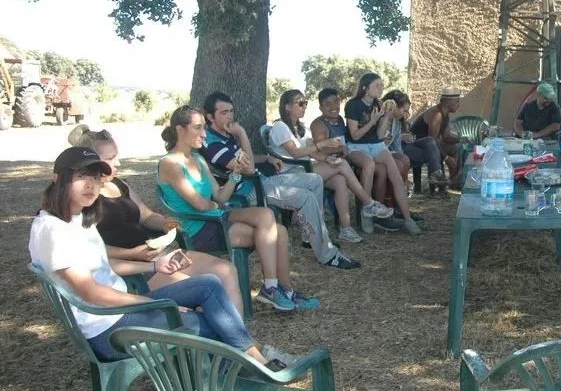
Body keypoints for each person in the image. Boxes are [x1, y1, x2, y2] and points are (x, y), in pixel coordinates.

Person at [29, 146, 297, 368]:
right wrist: (152, 306)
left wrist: (155, 263)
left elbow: (101, 264)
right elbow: (91, 293)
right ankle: (253, 367)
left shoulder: (78, 217)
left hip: (119, 313)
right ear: (57, 178)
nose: (91, 185)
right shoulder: (54, 231)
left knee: (210, 284)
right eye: (81, 176)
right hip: (109, 330)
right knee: (212, 324)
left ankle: (251, 360)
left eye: (96, 178)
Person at [67, 125, 245, 314]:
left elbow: (146, 216)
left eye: (116, 156)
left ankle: (239, 337)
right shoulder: (84, 200)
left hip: (156, 253)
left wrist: (166, 222)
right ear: (92, 163)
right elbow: (93, 250)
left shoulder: (119, 184)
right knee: (203, 291)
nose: (118, 163)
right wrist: (136, 253)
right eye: (110, 159)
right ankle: (227, 340)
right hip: (134, 268)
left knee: (226, 270)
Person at [157, 105, 319, 312]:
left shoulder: (197, 159)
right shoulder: (170, 164)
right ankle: (271, 289)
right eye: (198, 128)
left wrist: (235, 173)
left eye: (204, 128)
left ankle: (283, 290)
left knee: (278, 228)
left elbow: (220, 196)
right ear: (180, 130)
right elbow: (200, 204)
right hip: (199, 228)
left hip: (217, 217)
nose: (204, 134)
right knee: (274, 231)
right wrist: (215, 205)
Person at [200, 91, 359, 269]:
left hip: (260, 181)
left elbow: (243, 158)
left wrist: (266, 158)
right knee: (304, 197)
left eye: (231, 111)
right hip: (247, 191)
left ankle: (310, 236)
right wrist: (242, 134)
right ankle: (327, 255)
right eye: (224, 113)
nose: (230, 116)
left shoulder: (224, 133)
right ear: (209, 116)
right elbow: (249, 168)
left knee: (314, 180)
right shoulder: (213, 143)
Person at [273, 88, 393, 243]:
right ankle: (368, 203)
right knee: (342, 164)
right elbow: (296, 153)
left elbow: (311, 153)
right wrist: (323, 144)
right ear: (287, 107)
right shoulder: (280, 127)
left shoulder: (301, 128)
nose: (304, 106)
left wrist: (327, 159)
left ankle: (346, 228)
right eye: (300, 103)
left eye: (305, 103)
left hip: (303, 169)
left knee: (340, 181)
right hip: (289, 175)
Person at [344, 73, 421, 234]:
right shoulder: (353, 105)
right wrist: (372, 120)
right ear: (365, 88)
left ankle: (407, 219)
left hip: (376, 145)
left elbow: (379, 136)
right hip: (357, 147)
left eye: (381, 85)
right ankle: (367, 211)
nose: (381, 88)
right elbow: (355, 135)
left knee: (396, 177)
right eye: (377, 85)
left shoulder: (379, 104)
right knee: (369, 164)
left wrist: (386, 116)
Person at [381, 89, 446, 194]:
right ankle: (436, 174)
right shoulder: (382, 118)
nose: (406, 114)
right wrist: (402, 137)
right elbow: (394, 146)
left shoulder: (397, 123)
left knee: (430, 141)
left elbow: (397, 144)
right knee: (433, 152)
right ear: (394, 107)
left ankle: (436, 173)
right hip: (396, 150)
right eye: (404, 110)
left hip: (406, 146)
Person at [410, 87, 463, 187]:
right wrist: (446, 157)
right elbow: (433, 141)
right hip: (417, 146)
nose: (458, 105)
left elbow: (446, 136)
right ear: (449, 102)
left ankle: (454, 181)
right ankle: (441, 186)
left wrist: (461, 139)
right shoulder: (437, 114)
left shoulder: (444, 114)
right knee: (442, 151)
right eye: (457, 101)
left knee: (456, 147)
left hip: (429, 145)